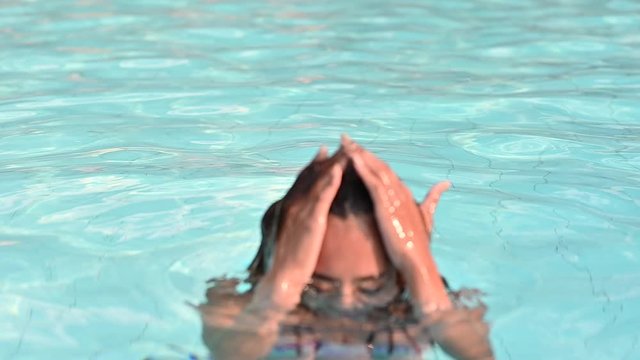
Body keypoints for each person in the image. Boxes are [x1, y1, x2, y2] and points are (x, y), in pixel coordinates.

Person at [199, 136, 493, 359]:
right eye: (317, 286)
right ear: (286, 258)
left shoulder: (441, 308)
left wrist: (418, 259)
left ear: (402, 269)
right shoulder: (233, 303)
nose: (345, 304)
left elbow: (479, 355)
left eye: (372, 287)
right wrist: (282, 287)